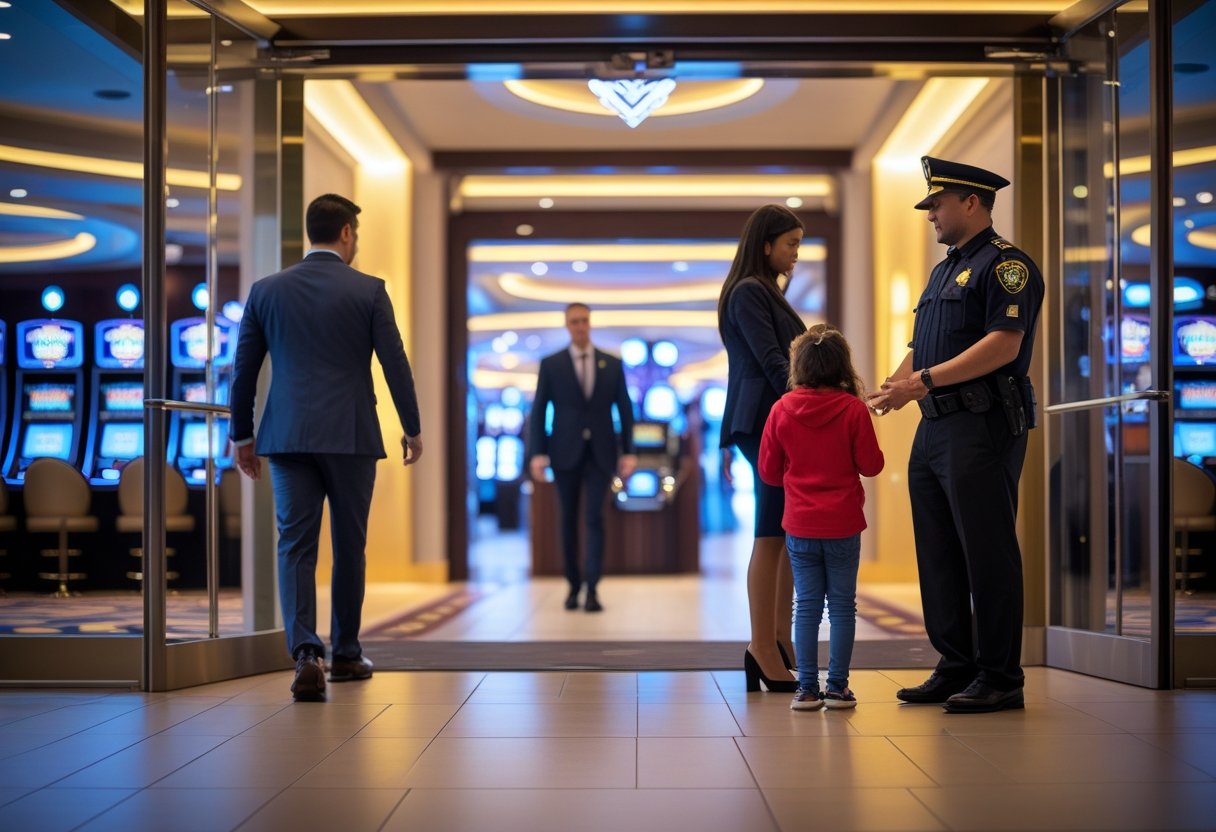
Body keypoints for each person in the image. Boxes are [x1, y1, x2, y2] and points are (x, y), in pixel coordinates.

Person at [229, 193, 423, 702]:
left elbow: (243, 370)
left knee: (294, 543)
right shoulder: (369, 290)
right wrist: (412, 426)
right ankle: (346, 654)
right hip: (352, 435)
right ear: (345, 233)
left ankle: (305, 655)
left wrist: (241, 437)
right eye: (354, 234)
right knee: (349, 546)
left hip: (287, 437)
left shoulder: (266, 291)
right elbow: (394, 363)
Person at [867, 157, 1043, 714]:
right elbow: (928, 343)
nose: (930, 216)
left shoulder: (1006, 266)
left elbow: (1003, 343)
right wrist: (896, 383)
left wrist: (920, 382)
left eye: (937, 205)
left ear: (971, 201)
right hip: (936, 425)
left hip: (982, 422)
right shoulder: (945, 269)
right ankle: (957, 663)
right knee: (938, 550)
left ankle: (1000, 675)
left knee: (986, 550)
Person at [759, 325, 884, 711]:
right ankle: (838, 688)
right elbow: (872, 465)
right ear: (842, 365)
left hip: (799, 523)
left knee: (807, 605)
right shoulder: (853, 409)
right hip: (844, 522)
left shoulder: (781, 409)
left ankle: (807, 689)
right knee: (843, 606)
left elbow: (767, 470)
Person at [718, 204, 808, 693]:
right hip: (765, 420)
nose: (796, 254)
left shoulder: (763, 290)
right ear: (766, 243)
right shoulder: (751, 292)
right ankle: (761, 645)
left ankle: (778, 638)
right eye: (791, 244)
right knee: (772, 532)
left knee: (783, 529)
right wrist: (807, 409)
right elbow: (774, 362)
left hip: (773, 418)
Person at [527, 303, 637, 613]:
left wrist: (628, 451)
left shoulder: (611, 364)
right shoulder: (552, 364)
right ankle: (573, 584)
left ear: (590, 324)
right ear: (566, 325)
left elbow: (624, 409)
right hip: (564, 452)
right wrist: (537, 452)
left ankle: (592, 587)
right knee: (567, 520)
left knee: (594, 519)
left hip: (601, 453)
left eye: (584, 321)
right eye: (574, 321)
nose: (580, 326)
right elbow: (539, 410)